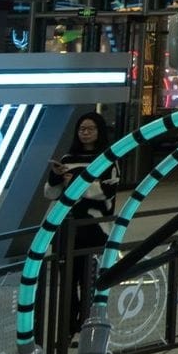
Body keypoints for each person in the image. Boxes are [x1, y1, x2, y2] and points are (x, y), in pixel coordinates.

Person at [44, 111, 116, 334]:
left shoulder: (107, 158)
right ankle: (67, 327)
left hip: (95, 229)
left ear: (99, 131)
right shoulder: (67, 159)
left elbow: (106, 191)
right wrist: (56, 176)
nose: (85, 133)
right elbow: (50, 193)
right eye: (82, 129)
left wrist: (75, 182)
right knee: (67, 281)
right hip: (67, 227)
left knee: (89, 281)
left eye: (90, 129)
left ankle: (88, 327)